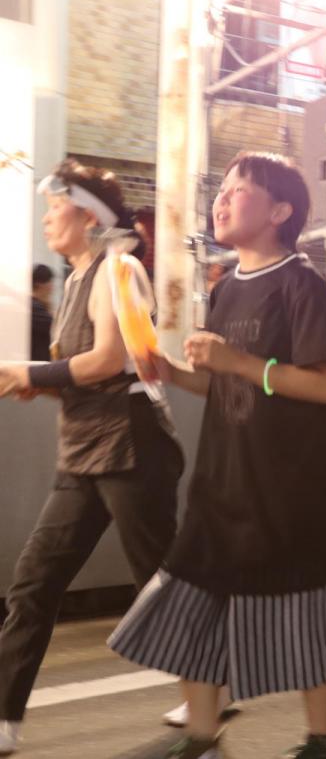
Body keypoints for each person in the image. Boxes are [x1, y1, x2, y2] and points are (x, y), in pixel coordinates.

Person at [107, 151, 326, 759]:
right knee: (194, 598)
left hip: (290, 486)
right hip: (222, 482)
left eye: (240, 189)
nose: (222, 198)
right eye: (222, 188)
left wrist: (240, 363)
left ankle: (322, 740)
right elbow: (225, 381)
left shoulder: (304, 287)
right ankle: (200, 733)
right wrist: (167, 369)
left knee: (306, 601)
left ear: (280, 211)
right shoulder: (226, 290)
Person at [0, 159, 183, 757]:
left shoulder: (119, 269)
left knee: (159, 580)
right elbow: (76, 373)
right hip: (81, 450)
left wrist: (32, 371)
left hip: (131, 443)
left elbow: (108, 360)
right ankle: (4, 717)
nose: (48, 217)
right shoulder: (76, 279)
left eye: (56, 207)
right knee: (33, 582)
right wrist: (37, 382)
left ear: (87, 215)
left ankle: (210, 683)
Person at [29, 264, 54, 362]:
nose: (52, 287)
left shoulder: (34, 306)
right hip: (37, 365)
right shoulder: (35, 308)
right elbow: (57, 328)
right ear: (42, 285)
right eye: (50, 282)